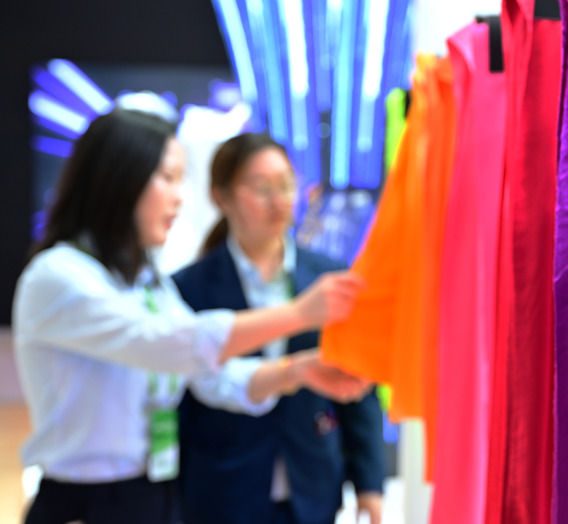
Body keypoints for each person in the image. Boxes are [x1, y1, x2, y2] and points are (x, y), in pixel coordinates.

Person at [12, 110, 366, 524]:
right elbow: (169, 343)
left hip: (154, 493)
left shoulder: (146, 282)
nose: (179, 198)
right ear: (120, 180)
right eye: (168, 178)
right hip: (84, 501)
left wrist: (297, 370)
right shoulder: (59, 276)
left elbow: (213, 376)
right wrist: (298, 314)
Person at [171, 132, 385, 524]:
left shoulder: (328, 278)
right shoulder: (189, 288)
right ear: (222, 197)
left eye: (286, 185)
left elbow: (357, 386)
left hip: (313, 484)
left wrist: (369, 484)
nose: (279, 201)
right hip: (222, 489)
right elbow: (186, 400)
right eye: (262, 188)